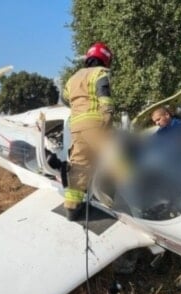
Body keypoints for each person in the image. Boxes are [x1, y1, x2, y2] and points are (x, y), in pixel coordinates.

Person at [62, 42, 114, 221]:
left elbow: (65, 99)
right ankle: (139, 192)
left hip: (76, 127)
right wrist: (106, 123)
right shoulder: (100, 73)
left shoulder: (72, 78)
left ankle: (71, 207)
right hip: (94, 122)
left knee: (79, 165)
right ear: (106, 59)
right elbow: (105, 99)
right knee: (114, 156)